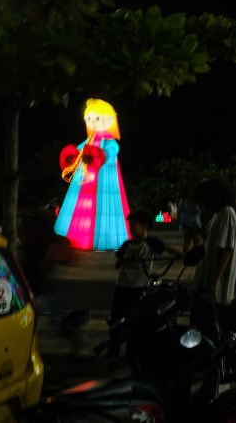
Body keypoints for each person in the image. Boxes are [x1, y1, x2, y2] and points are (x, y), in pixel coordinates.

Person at [54, 98, 132, 251]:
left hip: (106, 183)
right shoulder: (87, 141)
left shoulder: (110, 142)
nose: (93, 122)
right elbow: (77, 152)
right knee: (78, 208)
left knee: (104, 210)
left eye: (96, 118)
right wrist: (73, 157)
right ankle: (74, 236)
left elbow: (110, 152)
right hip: (84, 184)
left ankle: (102, 241)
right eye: (89, 118)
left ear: (109, 119)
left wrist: (98, 155)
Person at [108, 210, 178, 368]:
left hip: (140, 287)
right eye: (129, 225)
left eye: (133, 225)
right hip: (123, 286)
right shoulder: (126, 245)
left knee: (137, 321)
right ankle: (113, 354)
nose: (131, 228)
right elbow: (117, 264)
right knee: (117, 320)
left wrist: (182, 255)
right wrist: (124, 260)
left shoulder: (151, 242)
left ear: (144, 226)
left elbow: (167, 248)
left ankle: (132, 352)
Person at [189, 177, 236, 348]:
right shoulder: (220, 214)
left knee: (210, 330)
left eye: (204, 201)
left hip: (213, 288)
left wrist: (213, 283)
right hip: (207, 284)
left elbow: (226, 250)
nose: (202, 206)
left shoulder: (226, 214)